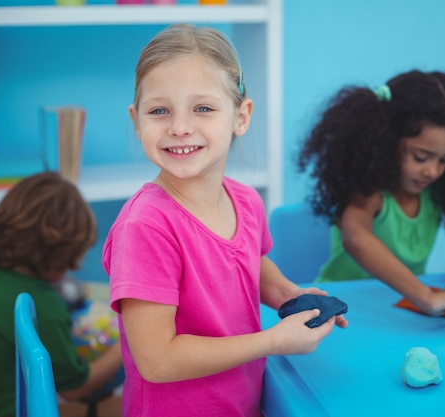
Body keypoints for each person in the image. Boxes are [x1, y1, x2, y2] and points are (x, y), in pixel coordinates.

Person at [102, 23, 347, 417]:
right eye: (159, 110)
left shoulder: (246, 202)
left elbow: (250, 263)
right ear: (136, 119)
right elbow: (157, 360)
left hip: (241, 403)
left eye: (203, 108)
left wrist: (286, 294)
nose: (179, 127)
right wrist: (272, 341)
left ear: (241, 116)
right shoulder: (144, 226)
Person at [298, 70, 445, 318]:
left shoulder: (439, 193)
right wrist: (426, 297)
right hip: (342, 307)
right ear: (387, 140)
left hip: (401, 307)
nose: (432, 171)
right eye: (421, 157)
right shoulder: (371, 192)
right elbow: (356, 237)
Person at [0, 172, 123, 417]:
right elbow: (76, 388)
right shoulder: (41, 307)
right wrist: (125, 345)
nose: (77, 267)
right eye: (73, 256)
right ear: (55, 252)